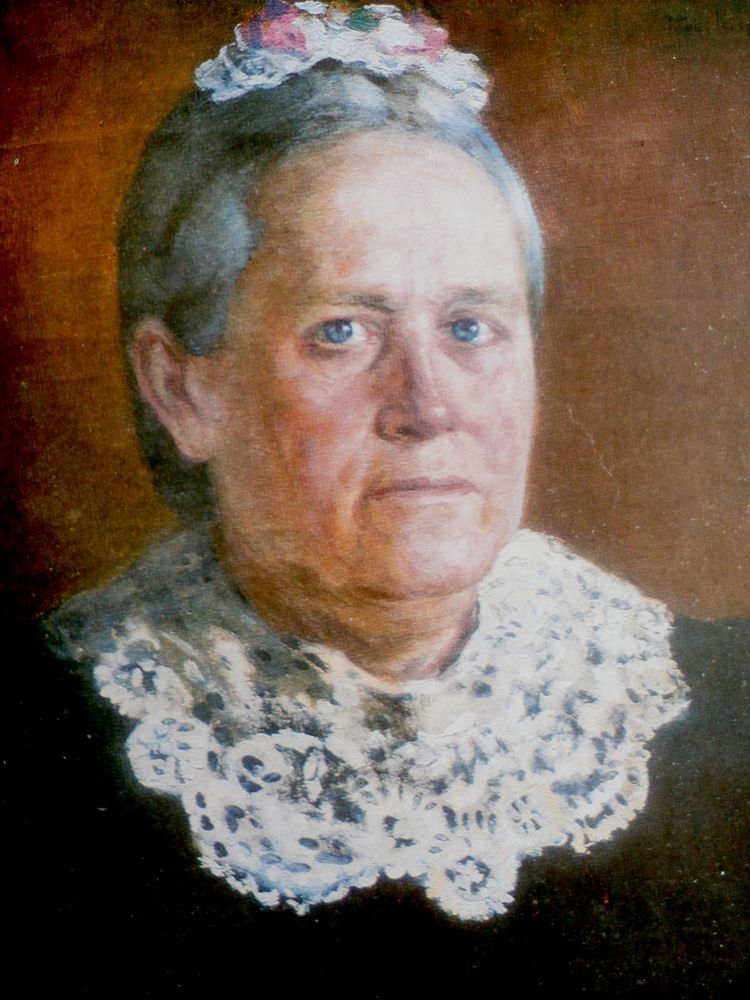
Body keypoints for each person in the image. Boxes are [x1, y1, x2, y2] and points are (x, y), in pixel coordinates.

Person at [28, 3, 748, 994]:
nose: (428, 406)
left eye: (471, 327)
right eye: (342, 332)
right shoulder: (40, 746)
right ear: (182, 390)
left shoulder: (721, 705)